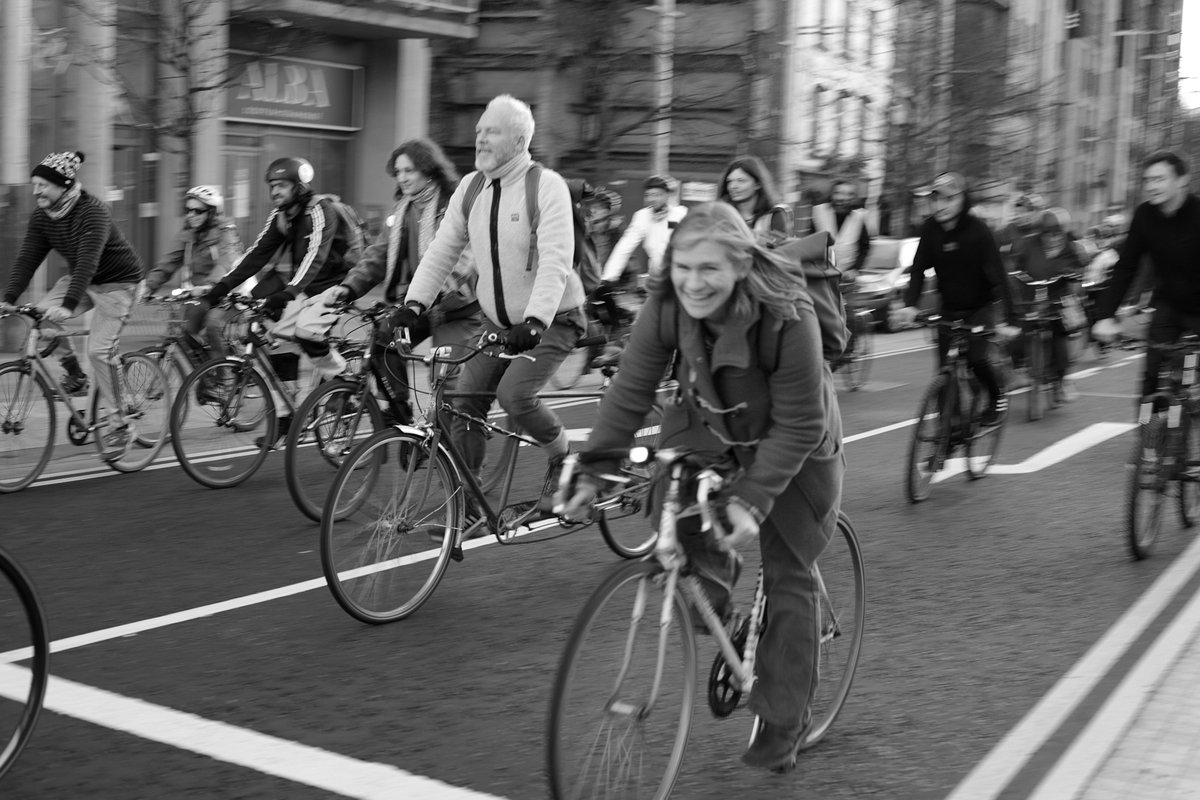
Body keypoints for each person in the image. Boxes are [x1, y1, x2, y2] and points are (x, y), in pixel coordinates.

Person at [556, 201, 844, 771]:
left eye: (709, 269)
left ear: (741, 265)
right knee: (673, 503)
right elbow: (631, 390)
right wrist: (593, 465)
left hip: (797, 440)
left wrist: (755, 500)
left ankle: (786, 718)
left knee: (789, 572)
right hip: (713, 420)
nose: (693, 282)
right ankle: (723, 612)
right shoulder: (667, 303)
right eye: (684, 267)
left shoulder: (786, 311)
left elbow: (801, 422)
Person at [393, 94, 586, 514]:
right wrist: (413, 304)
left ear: (518, 141)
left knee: (514, 395)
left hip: (552, 319)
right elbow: (442, 252)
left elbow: (555, 260)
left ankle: (563, 454)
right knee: (465, 402)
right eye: (479, 129)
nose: (480, 138)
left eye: (491, 131)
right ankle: (470, 496)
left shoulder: (545, 187)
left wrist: (535, 321)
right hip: (498, 322)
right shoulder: (471, 187)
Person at [318, 139, 481, 425]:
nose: (402, 177)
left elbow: (461, 262)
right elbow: (378, 256)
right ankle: (401, 414)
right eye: (398, 171)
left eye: (409, 170)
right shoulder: (403, 210)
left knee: (444, 383)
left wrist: (426, 298)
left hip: (459, 309)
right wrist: (349, 287)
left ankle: (458, 447)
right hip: (420, 304)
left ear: (429, 170)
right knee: (384, 340)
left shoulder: (454, 205)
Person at [197, 156, 357, 447]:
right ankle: (286, 418)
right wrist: (219, 289)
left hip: (336, 285)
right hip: (302, 288)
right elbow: (255, 256)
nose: (275, 192)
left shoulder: (320, 210)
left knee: (306, 332)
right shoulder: (281, 215)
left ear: (299, 186)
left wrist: (288, 292)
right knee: (267, 336)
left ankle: (346, 377)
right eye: (272, 186)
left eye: (281, 185)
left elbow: (315, 257)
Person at [1, 151, 143, 460]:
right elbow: (28, 258)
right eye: (34, 184)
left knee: (99, 350)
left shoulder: (93, 212)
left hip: (119, 284)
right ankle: (75, 374)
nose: (36, 191)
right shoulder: (42, 216)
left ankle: (121, 425)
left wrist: (67, 306)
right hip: (83, 281)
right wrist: (9, 299)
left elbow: (88, 263)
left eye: (43, 185)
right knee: (39, 316)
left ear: (64, 185)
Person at [893, 172, 1019, 426]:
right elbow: (918, 269)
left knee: (977, 359)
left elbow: (999, 277)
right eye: (937, 200)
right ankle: (948, 433)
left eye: (950, 199)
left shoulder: (979, 231)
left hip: (979, 307)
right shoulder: (930, 229)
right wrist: (910, 305)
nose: (941, 206)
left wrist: (1010, 319)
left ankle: (996, 397)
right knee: (944, 373)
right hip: (948, 307)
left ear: (963, 200)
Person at [1092, 151, 1200, 407]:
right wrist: (1105, 316)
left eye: (1160, 179)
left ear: (1182, 180)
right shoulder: (1144, 215)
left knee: (1190, 377)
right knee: (1150, 383)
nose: (1151, 186)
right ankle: (1147, 442)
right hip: (1168, 305)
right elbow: (1126, 267)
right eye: (1147, 180)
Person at [143, 185, 243, 362]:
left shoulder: (226, 231)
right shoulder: (188, 235)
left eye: (198, 211)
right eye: (188, 210)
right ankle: (206, 379)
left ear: (212, 213)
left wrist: (211, 285)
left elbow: (225, 262)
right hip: (203, 295)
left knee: (213, 325)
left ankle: (224, 380)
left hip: (231, 292)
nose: (191, 215)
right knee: (185, 332)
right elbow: (168, 263)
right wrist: (147, 287)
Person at [1012, 207, 1087, 404]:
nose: (1052, 239)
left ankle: (1061, 380)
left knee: (1060, 332)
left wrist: (1074, 279)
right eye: (1047, 234)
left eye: (1056, 234)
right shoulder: (1028, 245)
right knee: (1017, 327)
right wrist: (1015, 277)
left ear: (1063, 233)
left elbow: (1079, 270)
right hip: (1032, 295)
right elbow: (1014, 267)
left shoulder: (1072, 248)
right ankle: (1019, 365)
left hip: (1059, 297)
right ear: (1041, 233)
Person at [599, 174, 689, 289]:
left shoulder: (680, 214)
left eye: (657, 195)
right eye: (649, 195)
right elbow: (625, 245)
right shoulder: (642, 217)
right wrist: (609, 276)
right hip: (657, 276)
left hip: (680, 274)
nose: (652, 199)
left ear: (667, 195)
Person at [717, 155, 792, 245]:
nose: (733, 186)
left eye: (741, 181)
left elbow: (780, 251)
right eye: (729, 181)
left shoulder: (774, 216)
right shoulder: (721, 215)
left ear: (758, 184)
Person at [811, 179, 870, 280]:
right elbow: (808, 244)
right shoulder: (818, 212)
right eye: (838, 193)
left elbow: (864, 247)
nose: (843, 198)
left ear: (854, 198)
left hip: (846, 276)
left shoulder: (859, 217)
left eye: (849, 194)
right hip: (820, 275)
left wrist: (855, 269)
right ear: (831, 195)